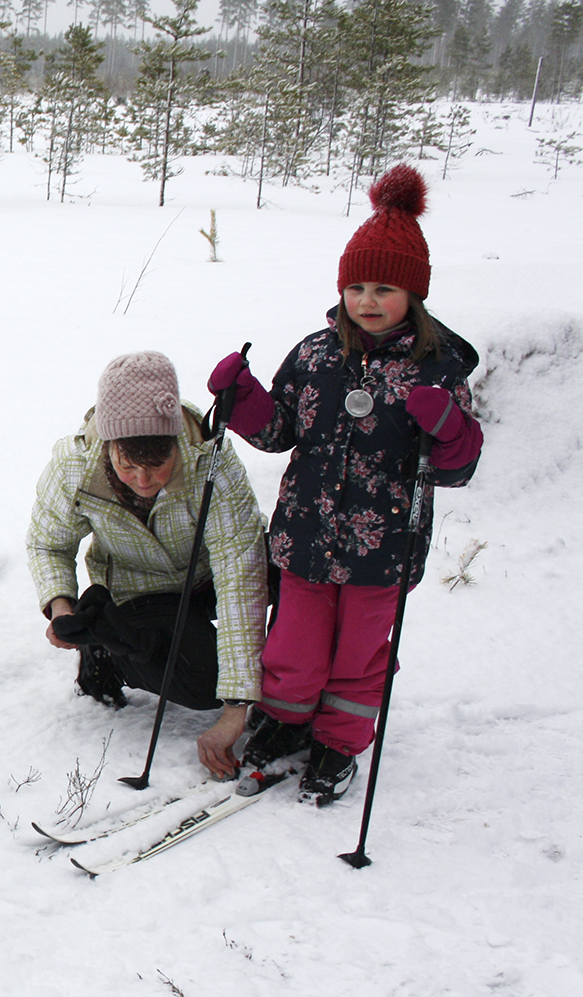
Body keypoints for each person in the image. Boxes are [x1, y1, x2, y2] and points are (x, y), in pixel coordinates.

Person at [205, 164, 483, 805]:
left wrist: (447, 426)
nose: (366, 299)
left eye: (384, 287)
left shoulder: (437, 368)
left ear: (413, 294)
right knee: (294, 646)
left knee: (358, 657)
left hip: (383, 550)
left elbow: (458, 467)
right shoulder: (315, 354)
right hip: (304, 539)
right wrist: (240, 395)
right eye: (355, 285)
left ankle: (338, 742)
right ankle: (285, 720)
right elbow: (277, 432)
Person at [27, 351, 271, 779]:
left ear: (176, 443)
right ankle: (106, 650)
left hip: (206, 577)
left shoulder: (210, 460)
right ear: (109, 444)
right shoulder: (74, 465)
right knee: (202, 683)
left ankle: (287, 701)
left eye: (158, 465)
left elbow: (239, 575)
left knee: (284, 573)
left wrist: (239, 705)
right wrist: (61, 606)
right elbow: (49, 543)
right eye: (128, 465)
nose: (143, 480)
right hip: (139, 589)